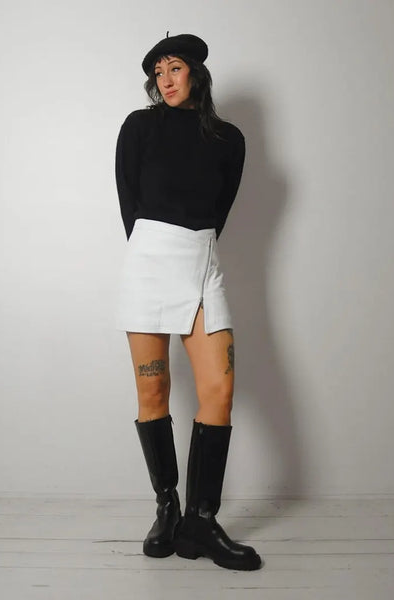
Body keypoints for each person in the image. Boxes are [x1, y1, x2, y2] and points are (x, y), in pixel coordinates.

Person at [114, 33, 262, 571]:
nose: (165, 79)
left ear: (197, 72)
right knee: (153, 389)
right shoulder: (138, 127)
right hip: (148, 261)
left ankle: (200, 520)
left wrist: (193, 247)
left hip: (201, 263)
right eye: (158, 72)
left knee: (219, 390)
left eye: (174, 68)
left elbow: (220, 209)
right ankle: (168, 508)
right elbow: (129, 202)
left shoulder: (229, 138)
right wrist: (155, 249)